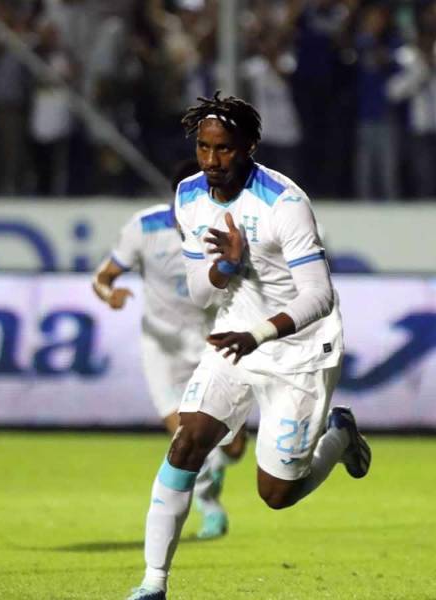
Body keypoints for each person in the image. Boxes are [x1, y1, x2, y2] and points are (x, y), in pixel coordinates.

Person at [125, 92, 371, 600]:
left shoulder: (284, 203)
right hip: (234, 337)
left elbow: (320, 296)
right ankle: (153, 584)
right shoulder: (190, 195)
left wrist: (257, 333)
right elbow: (200, 289)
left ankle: (339, 436)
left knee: (276, 494)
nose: (212, 162)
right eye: (204, 149)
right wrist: (228, 267)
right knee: (186, 442)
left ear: (250, 146)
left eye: (224, 150)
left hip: (300, 349)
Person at [93, 159, 247, 542]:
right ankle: (210, 508)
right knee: (186, 438)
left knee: (234, 448)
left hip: (214, 341)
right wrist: (109, 294)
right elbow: (102, 277)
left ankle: (213, 478)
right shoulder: (144, 228)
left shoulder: (226, 232)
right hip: (161, 347)